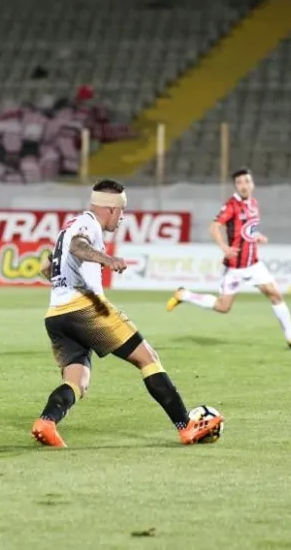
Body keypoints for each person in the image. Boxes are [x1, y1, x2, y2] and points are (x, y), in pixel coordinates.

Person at [31, 178, 224, 448]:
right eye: (121, 211)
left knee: (77, 382)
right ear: (111, 209)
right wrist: (107, 259)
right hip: (87, 307)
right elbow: (77, 246)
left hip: (56, 315)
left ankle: (47, 422)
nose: (122, 217)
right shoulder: (88, 224)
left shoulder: (68, 226)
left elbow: (47, 266)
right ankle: (185, 425)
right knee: (147, 358)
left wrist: (63, 279)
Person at [166, 168, 291, 349]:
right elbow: (213, 227)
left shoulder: (254, 204)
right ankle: (184, 295)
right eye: (239, 182)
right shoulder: (231, 205)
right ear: (236, 186)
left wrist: (257, 236)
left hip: (254, 264)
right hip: (236, 268)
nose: (244, 185)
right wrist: (224, 247)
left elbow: (248, 229)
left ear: (252, 184)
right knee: (223, 307)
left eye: (247, 181)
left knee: (275, 294)